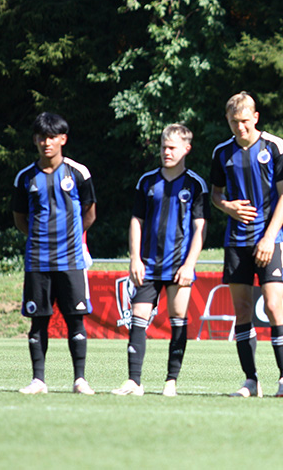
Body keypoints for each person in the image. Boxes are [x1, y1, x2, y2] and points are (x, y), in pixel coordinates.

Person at [112, 124, 209, 397]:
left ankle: (171, 381)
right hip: (148, 265)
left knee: (178, 318)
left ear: (186, 149)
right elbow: (136, 221)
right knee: (139, 317)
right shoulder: (147, 182)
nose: (166, 152)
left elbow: (201, 228)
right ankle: (134, 381)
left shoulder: (195, 184)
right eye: (164, 147)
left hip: (179, 266)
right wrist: (134, 259)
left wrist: (190, 264)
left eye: (172, 148)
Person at [211, 92, 283, 398]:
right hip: (236, 242)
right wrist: (227, 207)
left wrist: (270, 237)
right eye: (234, 122)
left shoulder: (274, 146)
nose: (240, 127)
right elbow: (215, 195)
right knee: (243, 311)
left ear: (256, 117)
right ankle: (250, 380)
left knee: (274, 306)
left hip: (269, 239)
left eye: (245, 121)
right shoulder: (222, 152)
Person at [12, 112, 97, 395]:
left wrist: (69, 239)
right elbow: (20, 218)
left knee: (76, 319)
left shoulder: (78, 173)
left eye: (51, 137)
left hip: (71, 259)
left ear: (63, 139)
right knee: (39, 321)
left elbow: (90, 213)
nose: (46, 142)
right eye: (40, 137)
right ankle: (38, 380)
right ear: (35, 140)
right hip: (37, 260)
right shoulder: (25, 177)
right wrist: (40, 240)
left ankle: (80, 379)